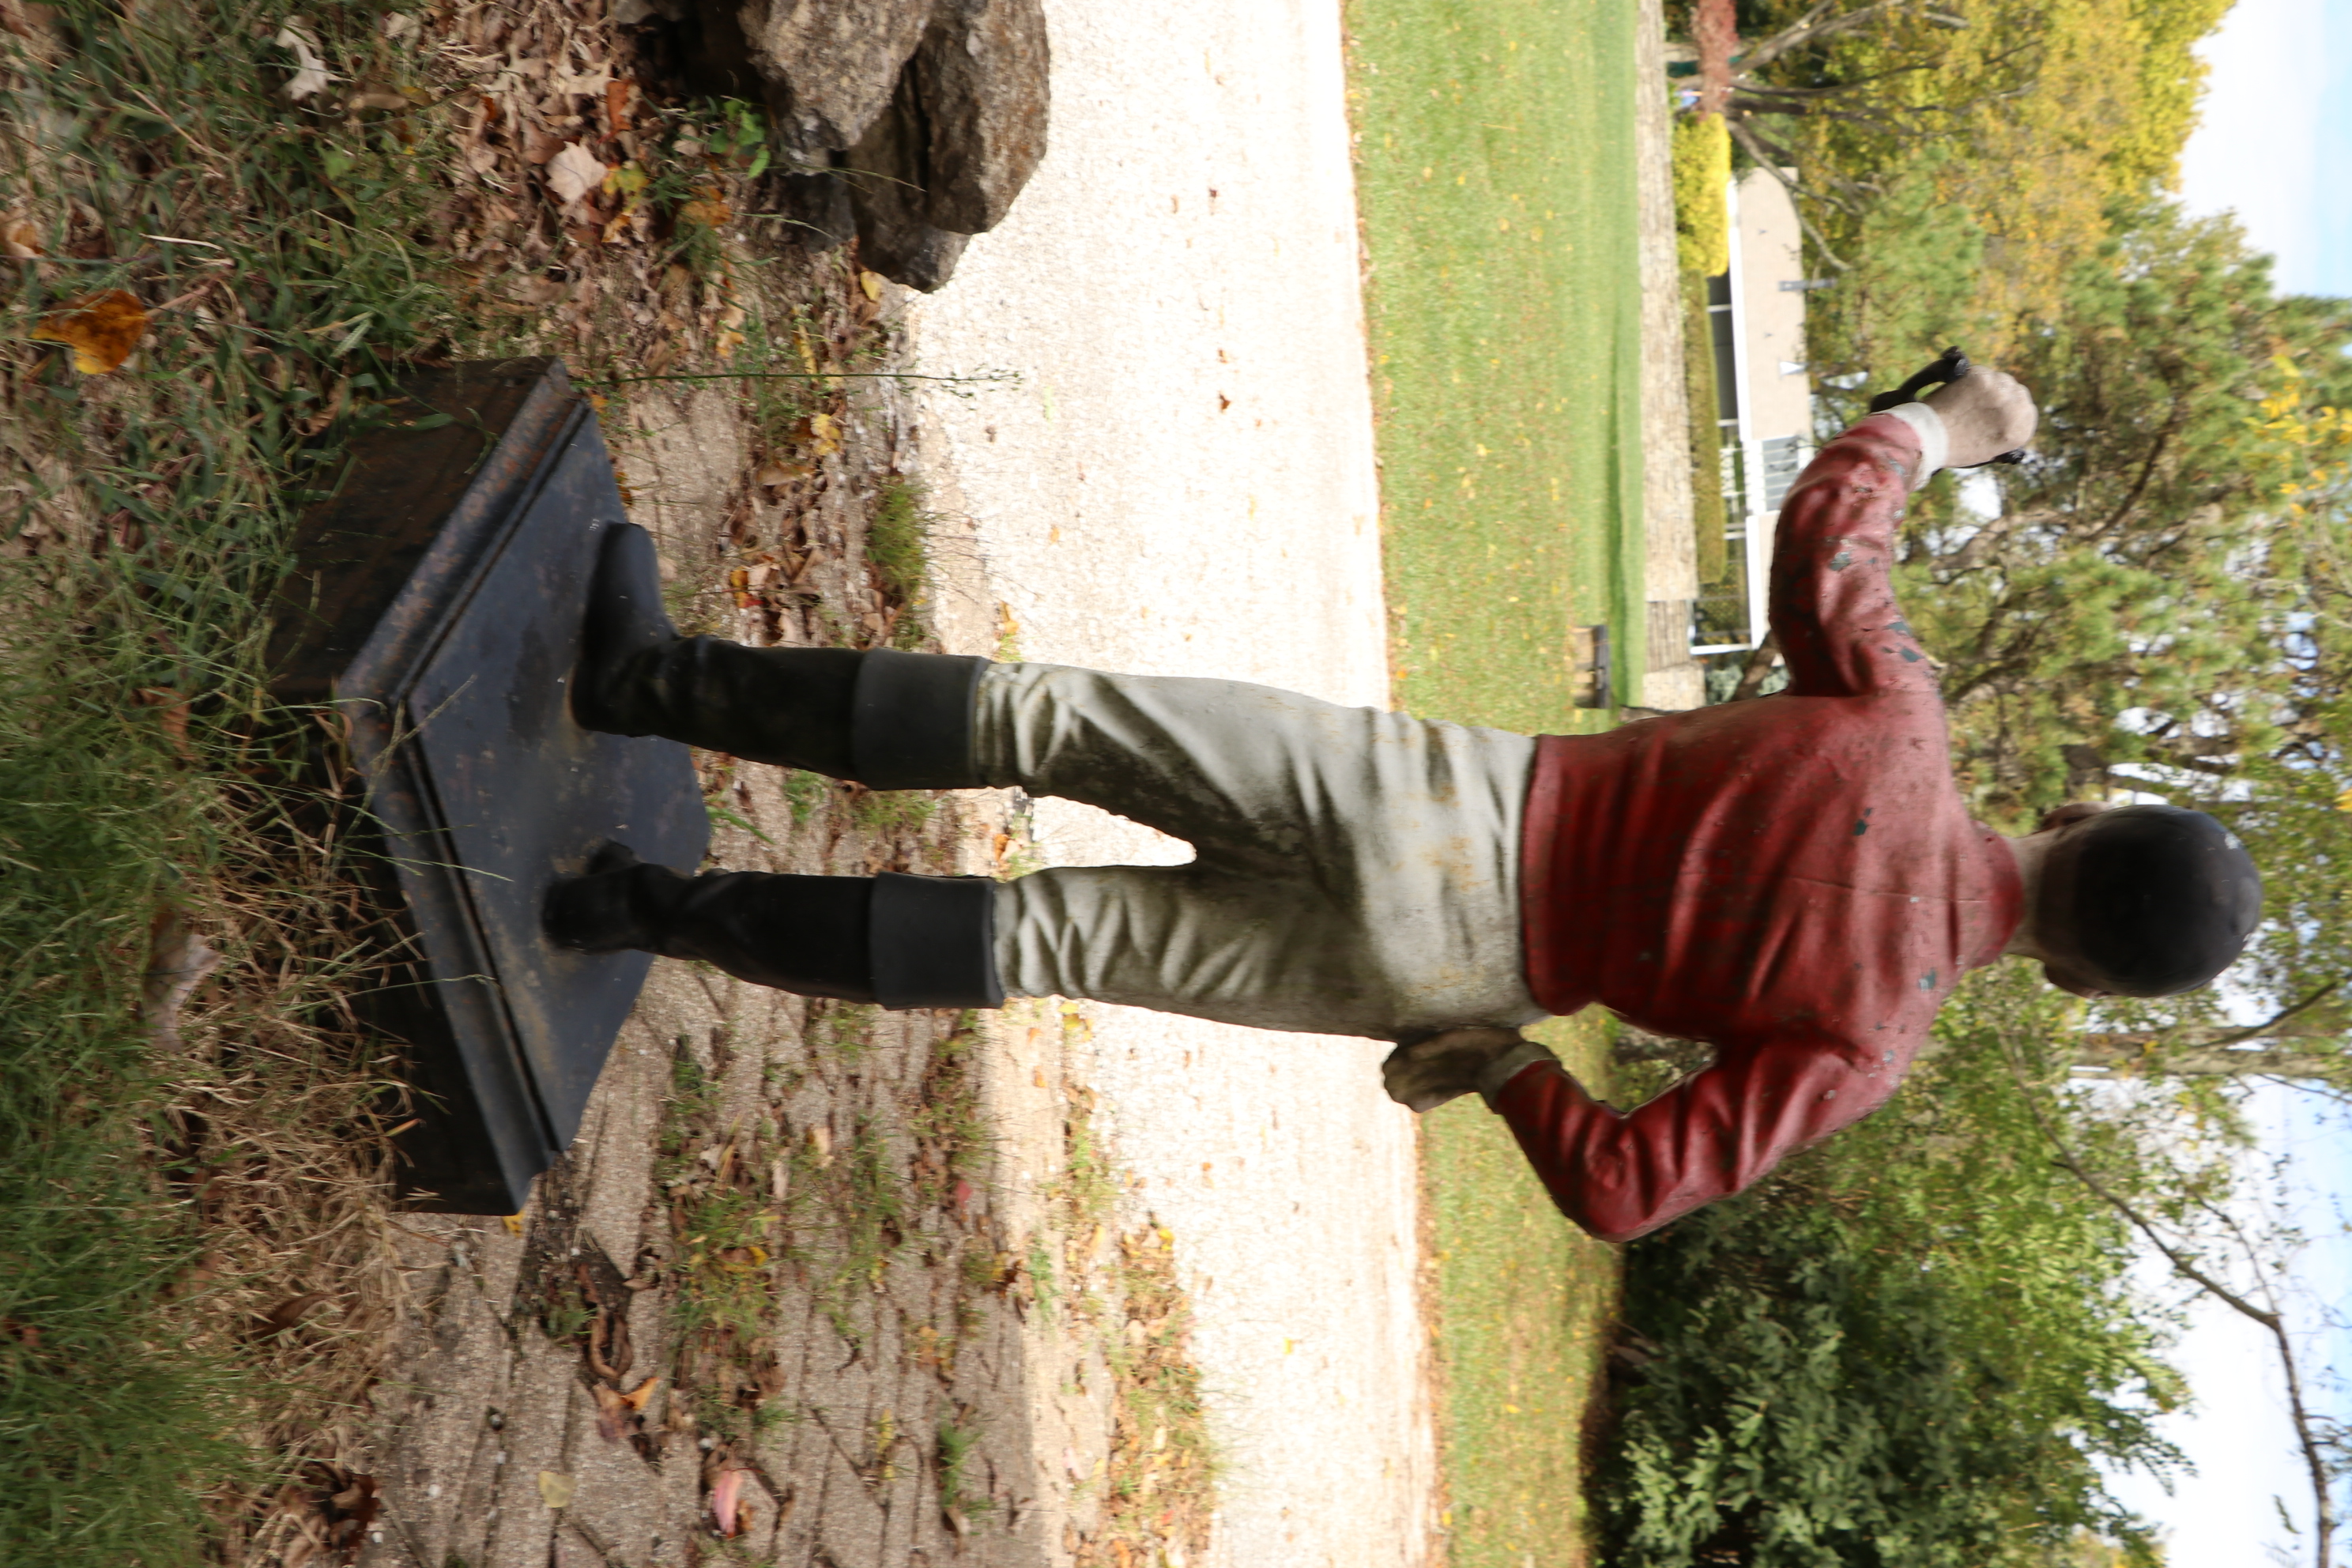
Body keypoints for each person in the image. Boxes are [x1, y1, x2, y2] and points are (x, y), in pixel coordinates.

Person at [545, 366, 2260, 1243]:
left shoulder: (1901, 725)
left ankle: (646, 682)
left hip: (1443, 799)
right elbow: (1625, 1188)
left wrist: (1927, 425)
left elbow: (1829, 532)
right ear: (2081, 979)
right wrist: (1507, 1066)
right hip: (1428, 977)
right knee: (1038, 938)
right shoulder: (1870, 1045)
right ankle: (631, 907)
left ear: (2089, 814)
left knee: (1034, 720)